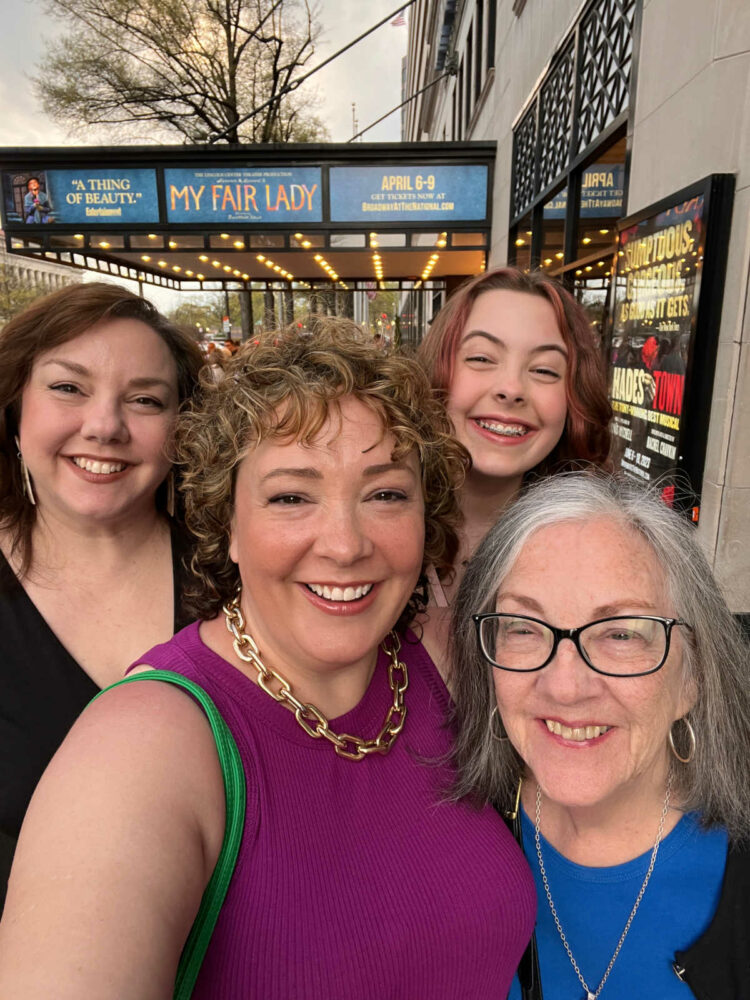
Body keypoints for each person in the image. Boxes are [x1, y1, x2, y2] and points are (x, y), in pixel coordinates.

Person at [0, 321, 536, 999]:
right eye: (291, 497)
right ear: (228, 525)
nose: (345, 545)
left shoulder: (441, 665)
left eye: (385, 494)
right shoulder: (140, 750)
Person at [450, 473, 750, 999]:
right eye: (523, 626)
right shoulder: (449, 841)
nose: (565, 686)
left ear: (694, 676)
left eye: (621, 634)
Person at [0, 282, 204, 908]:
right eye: (68, 388)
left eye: (145, 399)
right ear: (15, 407)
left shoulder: (234, 574)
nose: (105, 426)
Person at [416, 267, 612, 672]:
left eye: (543, 370)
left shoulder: (602, 551)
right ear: (438, 372)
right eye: (482, 358)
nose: (512, 388)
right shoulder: (369, 536)